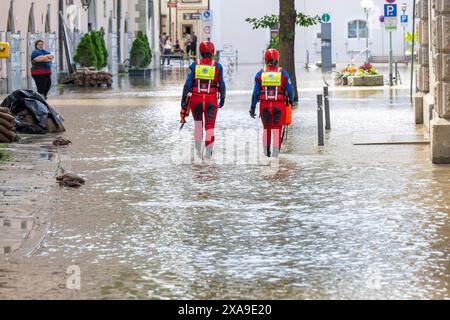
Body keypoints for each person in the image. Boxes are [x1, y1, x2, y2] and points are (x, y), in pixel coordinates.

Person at [180, 41, 226, 159]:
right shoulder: (217, 66)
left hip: (196, 99)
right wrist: (223, 97)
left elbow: (187, 84)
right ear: (212, 51)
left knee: (198, 126)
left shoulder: (195, 65)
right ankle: (208, 155)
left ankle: (197, 154)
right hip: (211, 100)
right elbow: (222, 85)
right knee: (210, 126)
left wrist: (183, 101)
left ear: (200, 52)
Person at [249, 48, 294, 158]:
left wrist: (252, 108)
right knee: (277, 130)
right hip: (279, 105)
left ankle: (266, 155)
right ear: (277, 59)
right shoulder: (282, 73)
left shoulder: (260, 74)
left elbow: (255, 93)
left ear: (266, 59)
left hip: (264, 105)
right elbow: (290, 89)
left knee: (266, 129)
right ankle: (275, 157)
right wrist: (291, 101)